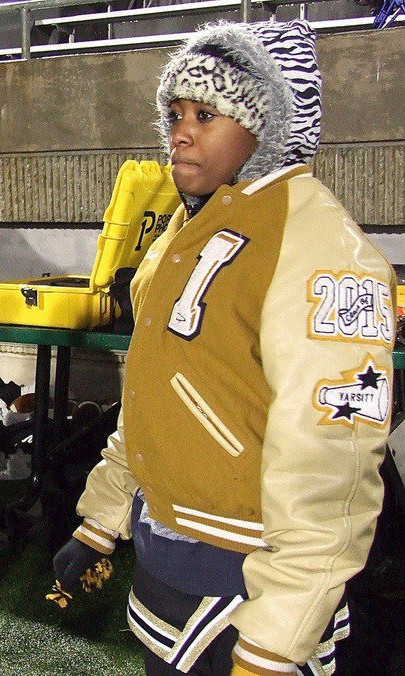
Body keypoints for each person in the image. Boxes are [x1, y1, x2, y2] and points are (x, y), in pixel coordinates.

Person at [51, 20, 395, 675]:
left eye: (207, 114)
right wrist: (103, 517)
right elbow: (157, 391)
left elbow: (335, 462)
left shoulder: (317, 242)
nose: (180, 131)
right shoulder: (191, 222)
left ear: (270, 120)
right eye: (176, 111)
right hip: (168, 556)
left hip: (248, 578)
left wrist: (274, 641)